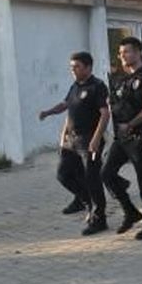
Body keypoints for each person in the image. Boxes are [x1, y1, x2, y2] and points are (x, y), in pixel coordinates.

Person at [38, 52, 111, 235]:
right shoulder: (75, 86)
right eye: (71, 67)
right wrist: (48, 112)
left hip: (89, 140)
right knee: (63, 175)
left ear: (88, 67)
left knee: (92, 178)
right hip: (71, 140)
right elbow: (66, 106)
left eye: (77, 66)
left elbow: (105, 114)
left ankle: (99, 218)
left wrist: (96, 139)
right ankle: (85, 201)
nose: (73, 70)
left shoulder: (97, 86)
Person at [100, 37, 142, 239]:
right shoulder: (120, 78)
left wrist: (132, 124)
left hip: (140, 135)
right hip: (122, 137)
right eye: (120, 52)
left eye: (127, 52)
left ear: (137, 52)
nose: (123, 56)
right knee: (106, 173)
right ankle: (130, 212)